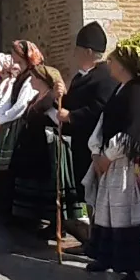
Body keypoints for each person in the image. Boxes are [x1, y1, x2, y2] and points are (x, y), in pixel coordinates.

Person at [83, 45, 140, 280]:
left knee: (130, 218)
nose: (109, 66)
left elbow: (134, 131)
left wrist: (108, 156)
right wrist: (96, 150)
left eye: (112, 62)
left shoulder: (139, 92)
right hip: (111, 162)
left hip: (128, 166)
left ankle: (137, 275)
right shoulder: (120, 90)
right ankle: (109, 258)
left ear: (122, 65)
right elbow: (103, 121)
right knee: (108, 214)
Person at [7, 64, 87, 234]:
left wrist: (55, 97)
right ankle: (32, 217)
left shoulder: (52, 100)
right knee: (35, 186)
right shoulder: (38, 96)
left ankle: (56, 226)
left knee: (50, 189)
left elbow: (57, 120)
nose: (31, 80)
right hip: (33, 147)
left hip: (47, 149)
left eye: (34, 77)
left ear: (43, 80)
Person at [60, 23, 118, 197]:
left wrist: (71, 116)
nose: (74, 54)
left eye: (77, 50)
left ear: (88, 52)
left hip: (94, 144)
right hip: (78, 142)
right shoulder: (80, 77)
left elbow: (99, 107)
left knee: (93, 191)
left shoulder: (106, 76)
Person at [0, 41, 40, 216]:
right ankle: (0, 205)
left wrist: (2, 118)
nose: (13, 57)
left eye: (16, 53)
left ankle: (12, 208)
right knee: (3, 167)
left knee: (12, 168)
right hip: (10, 123)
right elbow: (9, 101)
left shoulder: (31, 77)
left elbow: (21, 105)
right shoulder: (22, 76)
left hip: (20, 126)